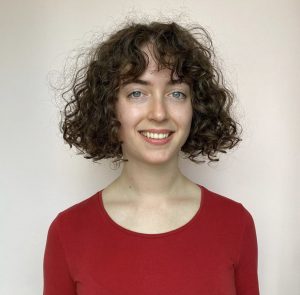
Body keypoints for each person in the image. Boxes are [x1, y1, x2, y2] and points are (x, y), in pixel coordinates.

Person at [43, 21, 260, 294]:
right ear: (109, 108)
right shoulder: (68, 232)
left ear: (196, 107)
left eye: (177, 93)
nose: (159, 113)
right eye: (137, 93)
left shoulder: (235, 224)